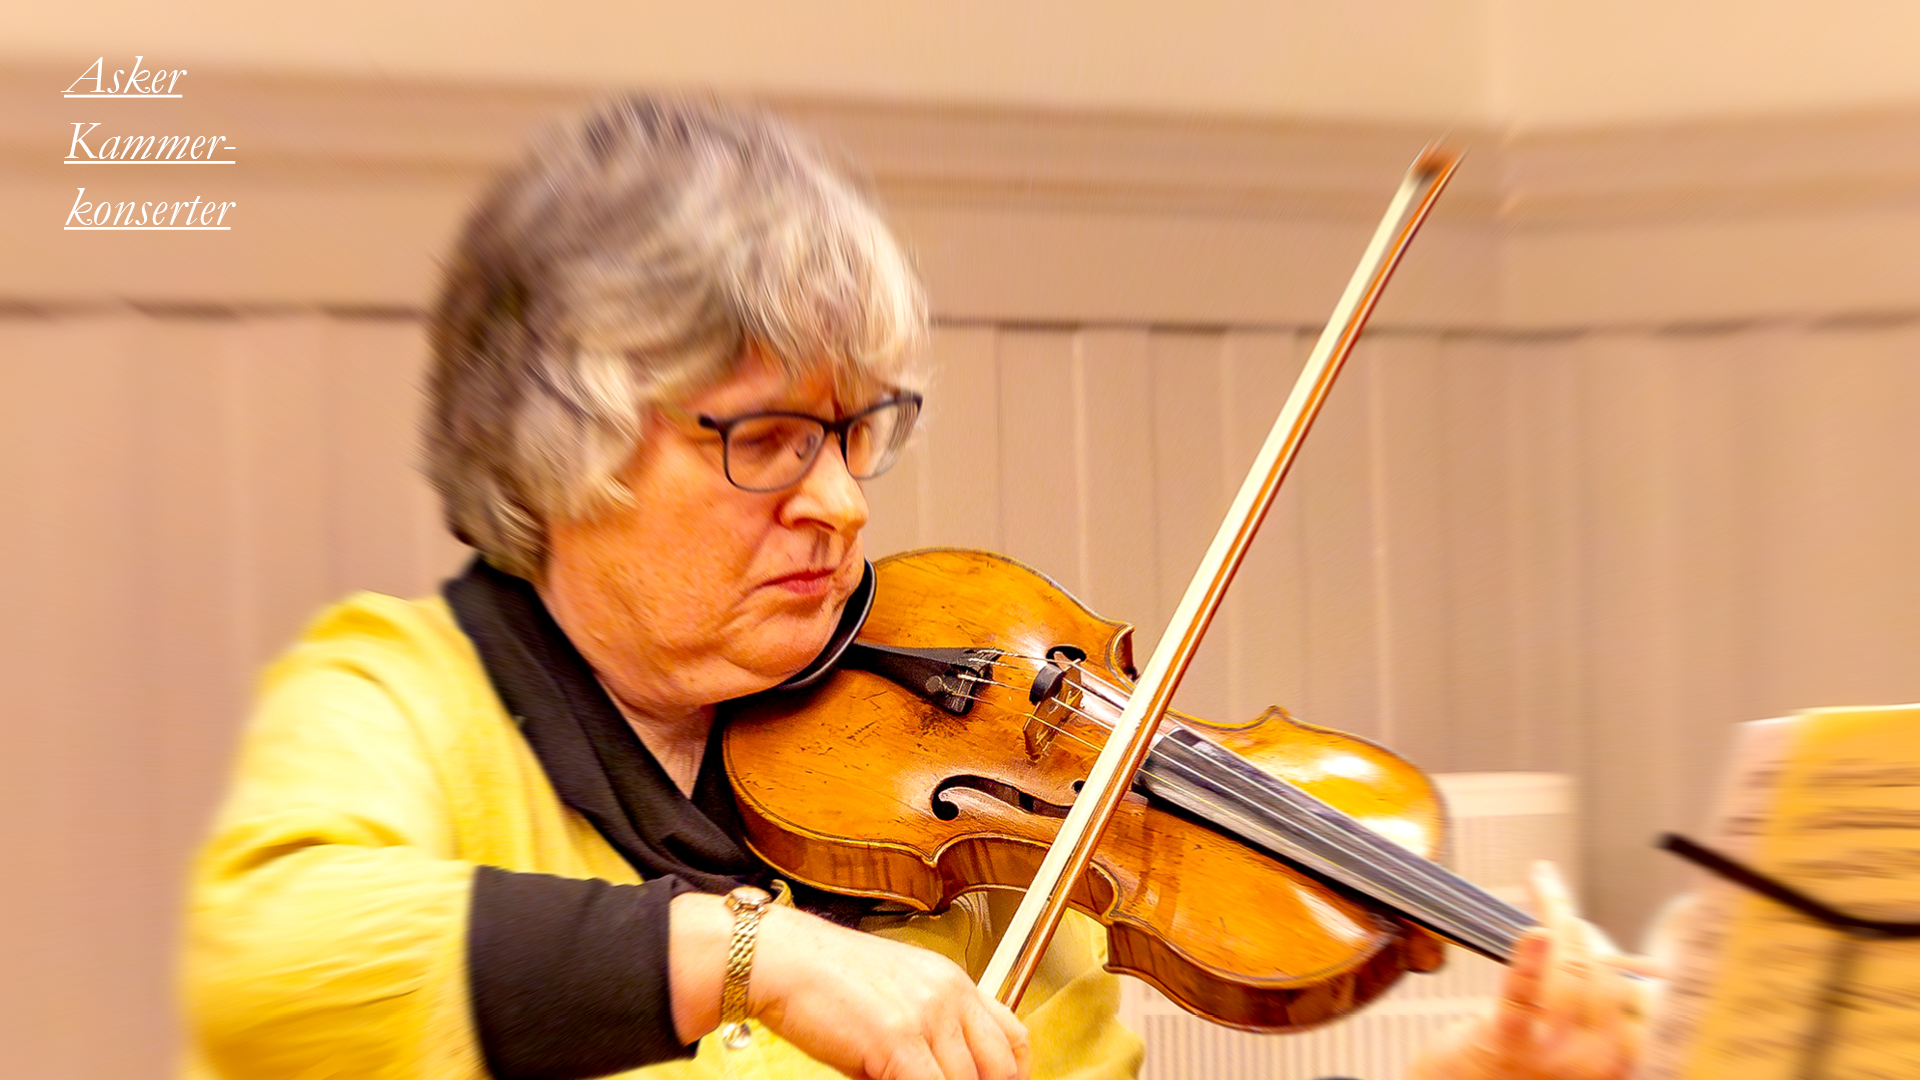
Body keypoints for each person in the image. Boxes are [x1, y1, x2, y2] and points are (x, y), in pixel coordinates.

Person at [181, 96, 1648, 1080]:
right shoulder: (396, 700)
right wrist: (755, 955)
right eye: (767, 439)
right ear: (561, 449)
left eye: (856, 431)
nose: (842, 501)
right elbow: (266, 960)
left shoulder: (961, 823)